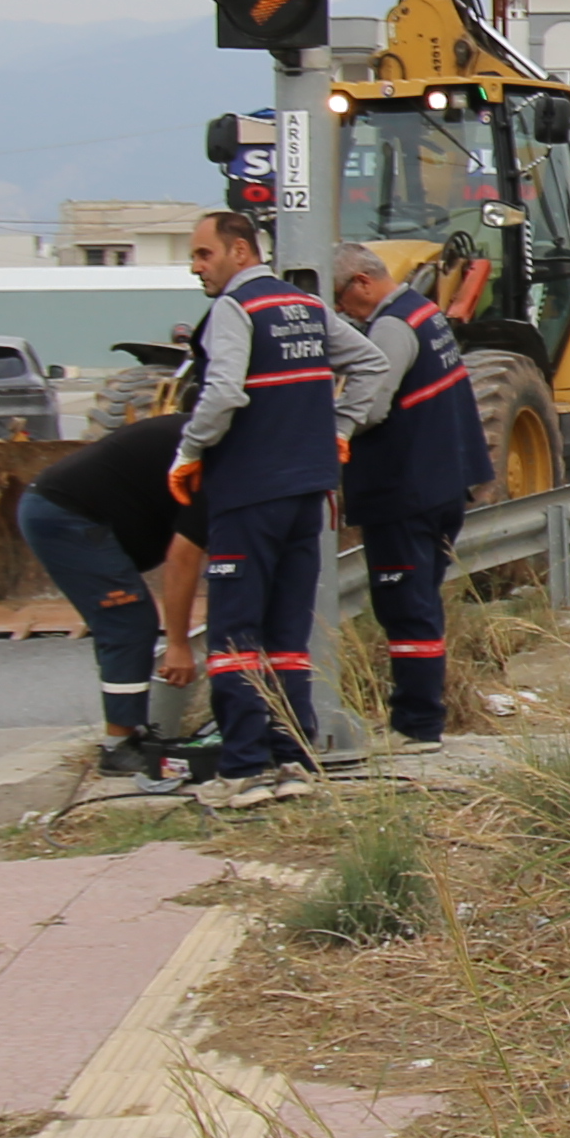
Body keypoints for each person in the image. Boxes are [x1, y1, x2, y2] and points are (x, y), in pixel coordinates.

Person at [169, 208, 344, 805]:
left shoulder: (233, 310)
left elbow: (222, 392)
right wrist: (338, 429)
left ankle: (243, 770)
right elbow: (369, 362)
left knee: (234, 635)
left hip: (249, 492)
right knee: (287, 636)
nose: (196, 268)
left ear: (241, 251)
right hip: (307, 495)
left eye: (203, 255)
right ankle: (294, 760)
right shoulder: (305, 306)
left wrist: (189, 451)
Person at [327, 246, 496, 752]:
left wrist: (331, 428)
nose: (342, 312)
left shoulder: (392, 328)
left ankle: (416, 725)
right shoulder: (427, 316)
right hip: (444, 483)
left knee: (404, 605)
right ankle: (421, 715)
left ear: (361, 283)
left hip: (405, 489)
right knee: (420, 601)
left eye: (341, 300)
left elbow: (373, 403)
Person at [11, 402, 208, 791]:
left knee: (121, 620)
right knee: (127, 619)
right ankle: (119, 745)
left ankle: (127, 729)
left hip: (87, 513)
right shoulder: (218, 460)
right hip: (64, 514)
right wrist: (179, 645)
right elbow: (182, 561)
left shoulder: (222, 441)